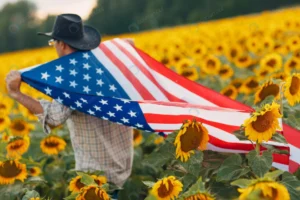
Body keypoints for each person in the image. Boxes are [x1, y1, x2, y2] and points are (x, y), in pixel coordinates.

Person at [5, 13, 133, 199]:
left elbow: (54, 118)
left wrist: (17, 93)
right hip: (120, 169)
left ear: (62, 44)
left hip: (94, 179)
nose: (54, 47)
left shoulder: (71, 77)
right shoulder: (107, 64)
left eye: (53, 43)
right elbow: (130, 43)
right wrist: (120, 46)